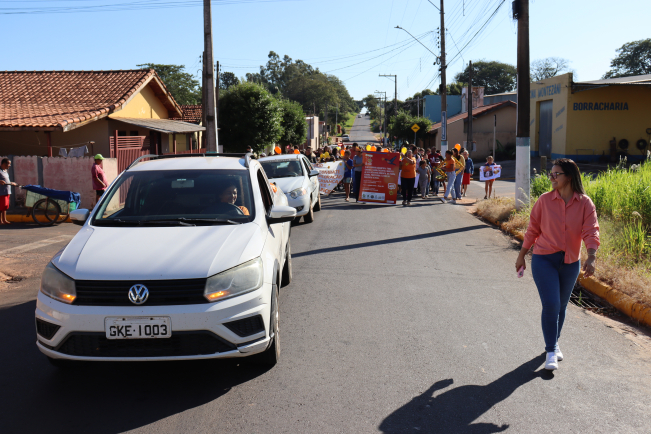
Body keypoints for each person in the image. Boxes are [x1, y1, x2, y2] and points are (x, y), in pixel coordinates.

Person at [515, 159, 600, 371]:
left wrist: (591, 256)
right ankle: (551, 350)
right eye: (550, 174)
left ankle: (554, 342)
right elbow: (533, 229)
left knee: (561, 306)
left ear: (568, 177)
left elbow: (591, 230)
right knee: (552, 304)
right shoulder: (544, 201)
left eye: (556, 174)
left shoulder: (585, 203)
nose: (551, 177)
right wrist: (522, 255)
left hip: (571, 262)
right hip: (544, 259)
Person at [0, 158, 18, 225]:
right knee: (1, 207)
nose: (9, 165)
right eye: (8, 164)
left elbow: (6, 181)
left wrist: (11, 183)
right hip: (1, 192)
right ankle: (0, 221)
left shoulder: (5, 171)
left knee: (4, 207)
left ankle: (4, 220)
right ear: (4, 164)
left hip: (6, 191)